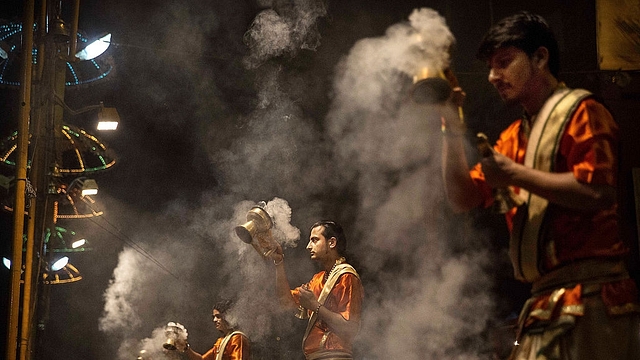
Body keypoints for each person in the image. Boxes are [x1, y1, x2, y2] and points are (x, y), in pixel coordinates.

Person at [439, 11, 640, 360]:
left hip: (593, 299)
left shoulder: (583, 111)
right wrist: (449, 122)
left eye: (504, 63)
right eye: (490, 67)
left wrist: (515, 175)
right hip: (542, 302)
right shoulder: (512, 138)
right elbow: (461, 197)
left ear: (540, 57)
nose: (492, 77)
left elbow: (598, 192)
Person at [268, 220, 364, 360]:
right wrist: (279, 262)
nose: (308, 246)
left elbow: (350, 328)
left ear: (331, 243)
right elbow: (285, 301)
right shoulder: (318, 279)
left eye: (314, 240)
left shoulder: (347, 276)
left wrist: (314, 306)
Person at [177, 300, 250, 360]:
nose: (214, 320)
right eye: (214, 317)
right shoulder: (220, 341)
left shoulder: (237, 338)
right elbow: (202, 359)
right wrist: (186, 347)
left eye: (218, 316)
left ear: (228, 317)